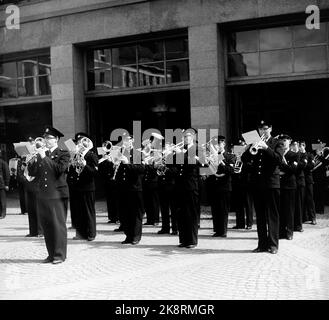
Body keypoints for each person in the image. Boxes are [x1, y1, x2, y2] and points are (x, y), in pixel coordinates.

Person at [27, 126, 70, 264]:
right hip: (43, 194)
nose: (46, 140)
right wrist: (31, 160)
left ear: (57, 139)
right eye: (45, 138)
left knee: (58, 226)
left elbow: (59, 170)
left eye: (49, 138)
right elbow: (34, 173)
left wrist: (44, 157)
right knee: (47, 226)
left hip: (58, 194)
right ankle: (51, 254)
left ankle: (59, 255)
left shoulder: (63, 153)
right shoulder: (42, 153)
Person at [241, 120, 281, 254]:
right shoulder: (255, 142)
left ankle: (273, 245)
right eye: (260, 129)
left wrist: (266, 148)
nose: (262, 131)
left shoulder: (276, 142)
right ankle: (262, 244)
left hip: (271, 184)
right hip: (258, 184)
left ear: (270, 128)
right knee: (261, 216)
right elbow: (244, 159)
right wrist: (249, 148)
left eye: (265, 128)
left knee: (272, 215)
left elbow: (278, 159)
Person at [67, 132, 98, 241]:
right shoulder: (75, 155)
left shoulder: (91, 155)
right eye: (78, 143)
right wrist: (71, 163)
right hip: (77, 186)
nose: (80, 145)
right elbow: (71, 171)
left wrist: (85, 165)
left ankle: (91, 233)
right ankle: (80, 233)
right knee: (78, 211)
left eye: (82, 143)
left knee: (88, 211)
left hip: (87, 187)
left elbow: (94, 172)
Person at [115, 134, 145, 245]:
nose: (125, 141)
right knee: (124, 213)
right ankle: (128, 235)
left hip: (134, 188)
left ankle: (136, 236)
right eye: (124, 140)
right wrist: (112, 163)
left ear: (132, 140)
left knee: (135, 213)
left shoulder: (137, 153)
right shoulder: (118, 152)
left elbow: (141, 169)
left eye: (128, 139)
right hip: (122, 188)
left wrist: (127, 163)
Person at [174, 129, 200, 248]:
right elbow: (174, 165)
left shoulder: (197, 148)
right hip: (180, 185)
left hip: (190, 185)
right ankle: (183, 239)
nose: (185, 138)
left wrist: (180, 153)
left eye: (188, 136)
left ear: (193, 137)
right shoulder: (181, 148)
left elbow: (193, 163)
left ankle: (192, 240)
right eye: (184, 136)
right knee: (181, 213)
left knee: (191, 213)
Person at [206, 136, 236, 237]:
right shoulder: (211, 156)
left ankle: (223, 231)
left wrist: (220, 160)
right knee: (215, 209)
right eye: (216, 144)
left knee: (223, 209)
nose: (218, 146)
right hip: (214, 185)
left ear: (224, 144)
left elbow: (230, 171)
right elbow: (208, 170)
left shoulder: (230, 156)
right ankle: (217, 230)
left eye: (220, 144)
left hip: (224, 186)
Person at [276, 135, 298, 241]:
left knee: (289, 210)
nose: (283, 142)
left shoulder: (294, 154)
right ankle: (281, 232)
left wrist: (283, 169)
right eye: (281, 141)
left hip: (290, 185)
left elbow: (293, 169)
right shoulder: (277, 154)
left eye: (285, 140)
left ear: (289, 141)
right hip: (279, 185)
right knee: (280, 209)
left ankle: (289, 232)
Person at [98, 140, 120, 224]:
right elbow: (99, 165)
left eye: (108, 146)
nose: (107, 148)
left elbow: (116, 165)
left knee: (116, 199)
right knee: (109, 199)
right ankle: (112, 217)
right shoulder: (103, 153)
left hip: (115, 179)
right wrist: (103, 159)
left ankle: (117, 217)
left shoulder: (115, 153)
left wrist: (111, 161)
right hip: (107, 179)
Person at [290, 140, 306, 233]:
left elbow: (303, 165)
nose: (294, 146)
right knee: (291, 205)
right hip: (291, 182)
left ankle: (299, 226)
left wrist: (295, 164)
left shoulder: (302, 154)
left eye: (296, 145)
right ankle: (291, 224)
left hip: (299, 183)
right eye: (293, 144)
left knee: (299, 205)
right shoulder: (290, 154)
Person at [299, 141, 316, 225]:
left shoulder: (310, 155)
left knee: (310, 199)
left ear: (304, 146)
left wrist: (302, 166)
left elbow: (311, 166)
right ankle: (303, 218)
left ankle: (313, 218)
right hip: (300, 180)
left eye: (301, 146)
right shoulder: (297, 155)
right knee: (301, 199)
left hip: (308, 180)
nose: (299, 147)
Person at [0, 150, 10, 219]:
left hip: (1, 184)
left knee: (2, 200)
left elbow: (7, 174)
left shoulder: (3, 162)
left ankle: (3, 213)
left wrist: (7, 184)